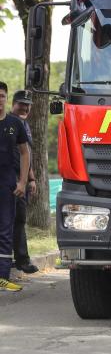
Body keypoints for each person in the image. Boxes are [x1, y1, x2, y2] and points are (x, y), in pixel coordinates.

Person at [0, 82, 29, 292]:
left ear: (6, 98)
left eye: (1, 95)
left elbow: (25, 153)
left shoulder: (14, 123)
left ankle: (2, 277)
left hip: (7, 183)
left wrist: (23, 181)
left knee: (5, 230)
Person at [10, 90, 38, 274]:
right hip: (9, 178)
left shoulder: (24, 124)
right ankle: (19, 259)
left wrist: (31, 178)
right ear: (13, 104)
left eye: (27, 104)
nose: (25, 107)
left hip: (21, 179)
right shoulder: (9, 123)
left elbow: (26, 154)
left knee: (19, 219)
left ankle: (20, 259)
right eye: (21, 103)